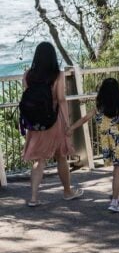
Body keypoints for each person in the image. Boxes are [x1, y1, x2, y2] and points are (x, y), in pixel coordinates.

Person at [20, 42, 83, 207]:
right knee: (61, 156)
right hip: (54, 121)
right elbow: (61, 99)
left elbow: (28, 97)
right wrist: (67, 123)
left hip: (35, 124)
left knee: (38, 160)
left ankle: (33, 198)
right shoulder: (58, 75)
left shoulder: (28, 75)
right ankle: (68, 192)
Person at [67, 78, 119, 211]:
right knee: (118, 171)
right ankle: (114, 201)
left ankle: (116, 196)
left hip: (107, 143)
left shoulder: (98, 108)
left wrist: (71, 128)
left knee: (115, 170)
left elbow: (84, 119)